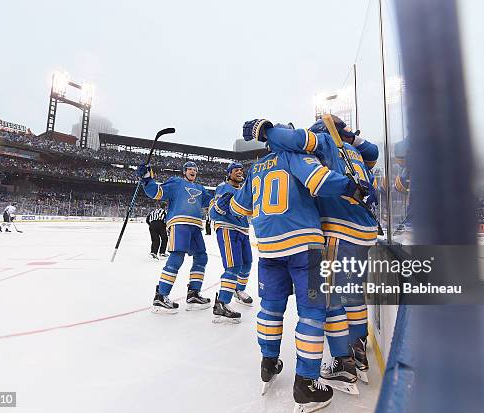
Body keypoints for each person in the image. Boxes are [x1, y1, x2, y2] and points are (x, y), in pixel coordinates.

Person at [216, 119, 366, 413]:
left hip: (269, 250)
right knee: (312, 312)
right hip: (305, 245)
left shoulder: (256, 168)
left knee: (270, 308)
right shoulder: (294, 156)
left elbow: (238, 209)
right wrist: (352, 187)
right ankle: (306, 384)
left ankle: (268, 363)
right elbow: (320, 181)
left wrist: (225, 201)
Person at [257, 115, 379, 394]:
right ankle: (358, 351)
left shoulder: (323, 143)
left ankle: (343, 363)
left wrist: (264, 129)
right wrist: (351, 136)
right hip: (365, 230)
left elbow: (292, 142)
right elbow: (373, 151)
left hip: (338, 227)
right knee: (353, 294)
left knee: (330, 301)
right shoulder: (356, 152)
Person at [137, 161, 214, 314]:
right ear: (184, 171)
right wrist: (147, 179)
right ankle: (161, 296)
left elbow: (211, 202)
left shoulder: (200, 189)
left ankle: (193, 293)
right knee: (177, 257)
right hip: (180, 223)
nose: (193, 171)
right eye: (190, 169)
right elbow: (157, 192)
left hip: (196, 226)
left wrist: (223, 198)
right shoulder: (176, 183)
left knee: (201, 257)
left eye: (195, 169)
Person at [209, 162, 253, 324]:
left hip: (243, 229)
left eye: (241, 170)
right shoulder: (223, 187)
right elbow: (214, 211)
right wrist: (220, 206)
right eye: (236, 170)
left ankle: (238, 290)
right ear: (229, 174)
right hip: (227, 228)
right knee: (233, 266)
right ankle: (221, 303)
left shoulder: (243, 191)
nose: (240, 172)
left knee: (247, 263)